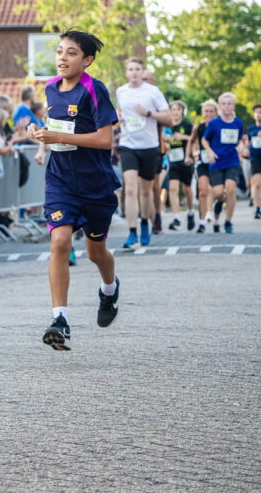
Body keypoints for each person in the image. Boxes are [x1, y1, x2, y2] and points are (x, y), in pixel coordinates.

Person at [28, 30, 120, 351]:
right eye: (59, 51)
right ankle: (60, 320)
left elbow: (104, 140)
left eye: (71, 53)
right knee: (60, 241)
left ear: (87, 60)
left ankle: (109, 289)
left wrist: (57, 136)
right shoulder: (51, 88)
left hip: (95, 184)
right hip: (60, 181)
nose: (62, 58)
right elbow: (55, 127)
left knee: (96, 253)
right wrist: (39, 132)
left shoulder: (94, 89)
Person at [115, 57, 171, 248]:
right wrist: (118, 117)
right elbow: (120, 111)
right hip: (127, 145)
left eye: (137, 69)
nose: (134, 72)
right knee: (130, 189)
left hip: (149, 146)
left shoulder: (152, 92)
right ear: (126, 72)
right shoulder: (121, 91)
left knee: (146, 191)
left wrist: (148, 113)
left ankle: (145, 223)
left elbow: (169, 118)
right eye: (131, 69)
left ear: (142, 71)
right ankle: (132, 232)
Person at [201, 92, 247, 234]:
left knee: (231, 189)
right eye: (224, 104)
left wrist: (241, 146)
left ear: (234, 106)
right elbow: (204, 140)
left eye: (229, 104)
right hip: (217, 161)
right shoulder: (214, 123)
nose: (226, 106)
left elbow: (240, 140)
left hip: (232, 160)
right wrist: (209, 151)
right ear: (220, 106)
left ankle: (228, 221)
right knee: (219, 192)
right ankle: (218, 203)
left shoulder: (238, 123)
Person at [188, 99, 219, 233]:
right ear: (202, 113)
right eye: (206, 111)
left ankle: (215, 217)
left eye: (211, 111)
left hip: (217, 162)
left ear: (216, 113)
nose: (208, 114)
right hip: (202, 162)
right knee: (203, 190)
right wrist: (189, 155)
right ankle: (202, 222)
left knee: (218, 192)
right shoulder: (199, 127)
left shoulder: (220, 126)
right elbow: (191, 141)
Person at [165, 101, 196, 231]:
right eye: (173, 109)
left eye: (178, 109)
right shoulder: (167, 126)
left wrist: (183, 137)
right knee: (173, 188)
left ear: (183, 111)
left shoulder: (187, 125)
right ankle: (176, 218)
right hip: (172, 161)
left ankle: (190, 212)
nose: (176, 112)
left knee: (187, 188)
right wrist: (167, 141)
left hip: (185, 160)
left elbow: (194, 140)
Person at [248, 104, 261, 220]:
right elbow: (247, 143)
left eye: (260, 112)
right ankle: (258, 209)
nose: (258, 114)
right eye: (256, 112)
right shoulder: (250, 129)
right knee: (257, 184)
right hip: (255, 159)